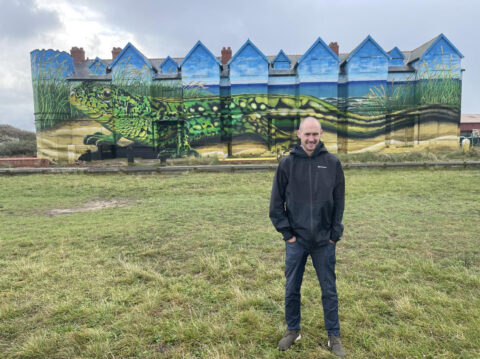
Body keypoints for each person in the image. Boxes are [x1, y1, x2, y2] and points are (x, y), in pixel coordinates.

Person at [269, 116, 346, 358]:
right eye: (307, 134)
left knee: (329, 290)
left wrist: (334, 234)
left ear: (321, 134)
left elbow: (339, 203)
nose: (311, 139)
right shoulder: (287, 164)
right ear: (299, 134)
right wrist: (288, 234)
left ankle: (333, 336)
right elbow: (275, 205)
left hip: (324, 241)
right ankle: (293, 331)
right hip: (297, 241)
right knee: (292, 288)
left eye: (315, 134)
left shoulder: (332, 163)